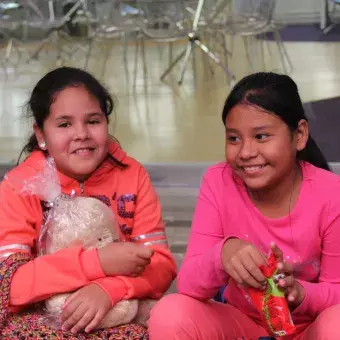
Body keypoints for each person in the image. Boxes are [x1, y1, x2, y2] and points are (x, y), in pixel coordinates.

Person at [148, 72, 340, 340]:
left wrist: (300, 292)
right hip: (242, 325)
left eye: (261, 136)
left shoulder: (331, 194)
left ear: (299, 135)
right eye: (234, 138)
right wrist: (222, 254)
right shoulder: (219, 182)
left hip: (310, 329)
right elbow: (189, 285)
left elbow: (336, 289)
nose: (246, 152)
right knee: (171, 314)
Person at [0, 67, 176, 336]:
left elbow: (161, 266)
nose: (81, 133)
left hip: (120, 307)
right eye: (64, 124)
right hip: (43, 317)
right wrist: (98, 263)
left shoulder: (132, 175)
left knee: (165, 322)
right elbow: (10, 286)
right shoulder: (20, 186)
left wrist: (111, 288)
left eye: (93, 121)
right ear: (40, 134)